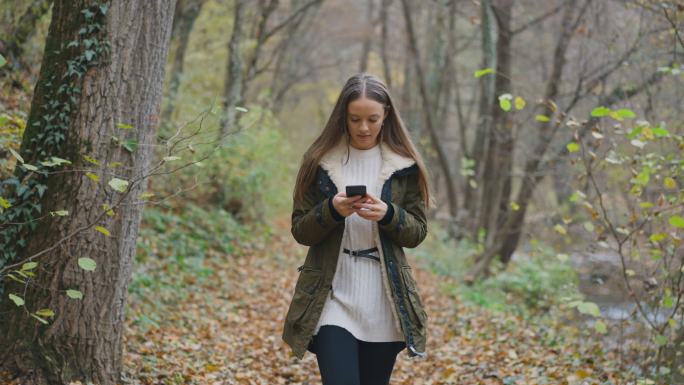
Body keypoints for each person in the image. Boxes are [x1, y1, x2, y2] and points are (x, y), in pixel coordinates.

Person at [282, 73, 433, 385]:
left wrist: (388, 214)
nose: (364, 127)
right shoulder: (319, 162)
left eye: (372, 119)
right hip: (332, 294)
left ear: (386, 115)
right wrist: (331, 211)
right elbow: (300, 230)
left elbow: (417, 232)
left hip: (384, 300)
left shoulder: (404, 166)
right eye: (355, 119)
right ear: (343, 117)